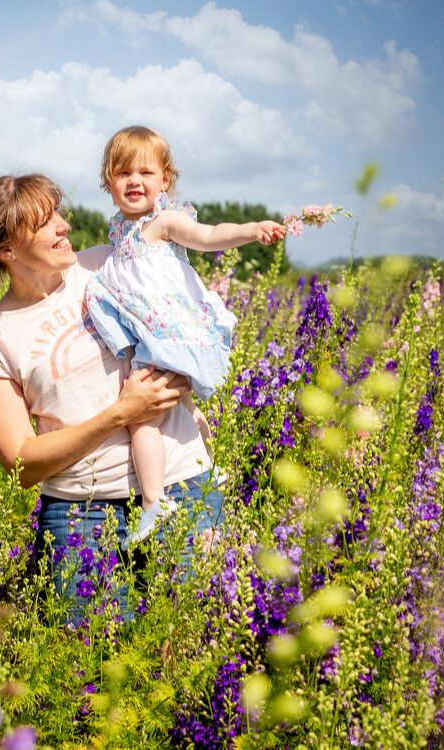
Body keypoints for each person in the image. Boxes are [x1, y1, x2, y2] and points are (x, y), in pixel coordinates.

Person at [0, 173, 223, 623]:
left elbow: (185, 319)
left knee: (195, 641)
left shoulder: (107, 265)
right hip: (81, 516)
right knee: (95, 657)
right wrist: (120, 414)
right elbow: (21, 463)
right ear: (7, 250)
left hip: (181, 486)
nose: (64, 225)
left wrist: (192, 373)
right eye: (44, 222)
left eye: (58, 213)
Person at [85, 126, 286, 547]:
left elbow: (209, 236)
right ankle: (208, 467)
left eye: (145, 172)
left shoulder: (164, 222)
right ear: (108, 182)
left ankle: (153, 502)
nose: (134, 181)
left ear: (165, 181)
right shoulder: (119, 231)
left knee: (141, 419)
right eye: (123, 173)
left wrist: (251, 229)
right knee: (187, 408)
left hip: (168, 335)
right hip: (157, 333)